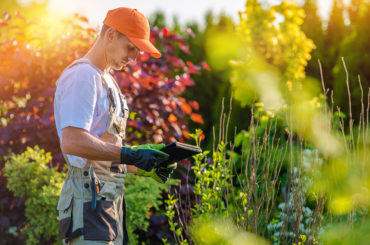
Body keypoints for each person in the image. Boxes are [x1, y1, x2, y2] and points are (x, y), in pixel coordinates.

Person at [53, 7, 175, 245]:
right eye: (131, 47)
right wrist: (129, 155)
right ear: (110, 35)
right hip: (88, 199)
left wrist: (141, 164)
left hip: (107, 199)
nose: (133, 57)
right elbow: (73, 141)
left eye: (138, 51)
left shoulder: (107, 81)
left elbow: (101, 150)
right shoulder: (83, 76)